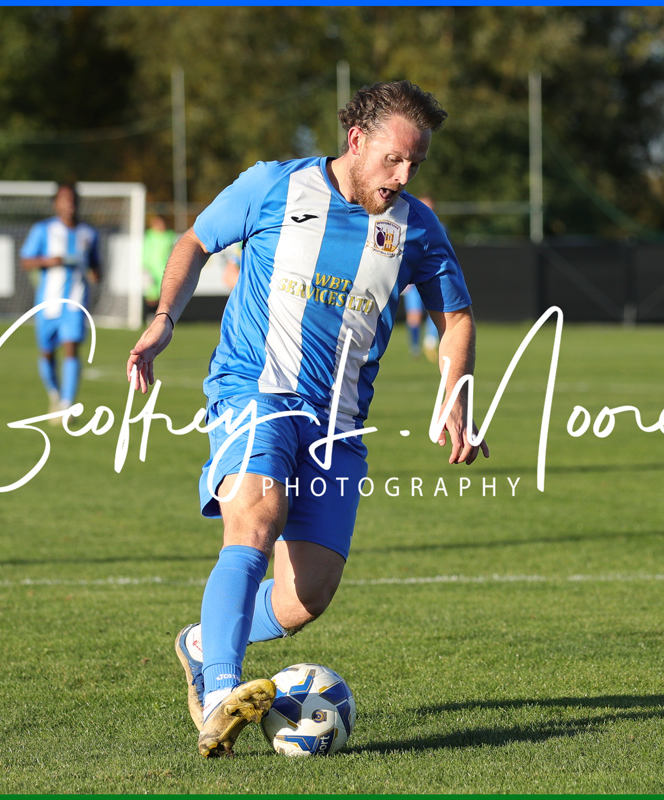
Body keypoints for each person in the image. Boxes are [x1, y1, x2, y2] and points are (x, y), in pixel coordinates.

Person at [127, 80, 489, 758]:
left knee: (304, 600)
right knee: (255, 520)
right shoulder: (273, 186)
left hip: (339, 425)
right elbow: (195, 241)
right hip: (253, 392)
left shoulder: (414, 227)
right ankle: (219, 698)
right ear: (356, 140)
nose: (403, 175)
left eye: (416, 164)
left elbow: (458, 318)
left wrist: (456, 396)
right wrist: (162, 322)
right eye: (394, 159)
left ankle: (204, 643)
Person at [20, 183, 101, 416]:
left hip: (76, 303)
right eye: (65, 199)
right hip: (48, 302)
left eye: (73, 199)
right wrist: (48, 261)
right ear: (56, 203)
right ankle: (54, 393)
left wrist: (94, 273)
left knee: (71, 348)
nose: (70, 203)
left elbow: (97, 267)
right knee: (46, 352)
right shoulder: (43, 229)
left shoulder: (89, 233)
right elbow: (26, 261)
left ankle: (66, 404)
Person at [402, 194, 441, 361]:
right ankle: (415, 348)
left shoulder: (440, 229)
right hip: (413, 281)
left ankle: (430, 343)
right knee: (414, 315)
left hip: (432, 278)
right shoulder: (408, 228)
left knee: (439, 311)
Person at [143, 215, 178, 324]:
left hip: (166, 267)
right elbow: (145, 251)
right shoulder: (149, 236)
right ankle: (150, 316)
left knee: (166, 293)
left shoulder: (170, 236)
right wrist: (145, 267)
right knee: (152, 294)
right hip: (153, 268)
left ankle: (164, 318)